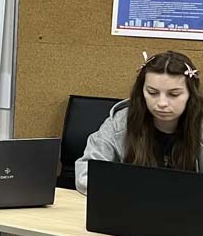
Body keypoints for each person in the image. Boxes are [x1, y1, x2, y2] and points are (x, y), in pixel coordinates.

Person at [75, 51, 203, 195]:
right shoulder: (120, 122)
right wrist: (135, 194)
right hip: (131, 205)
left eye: (174, 94)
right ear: (141, 91)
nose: (162, 103)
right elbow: (85, 174)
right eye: (152, 92)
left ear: (191, 94)